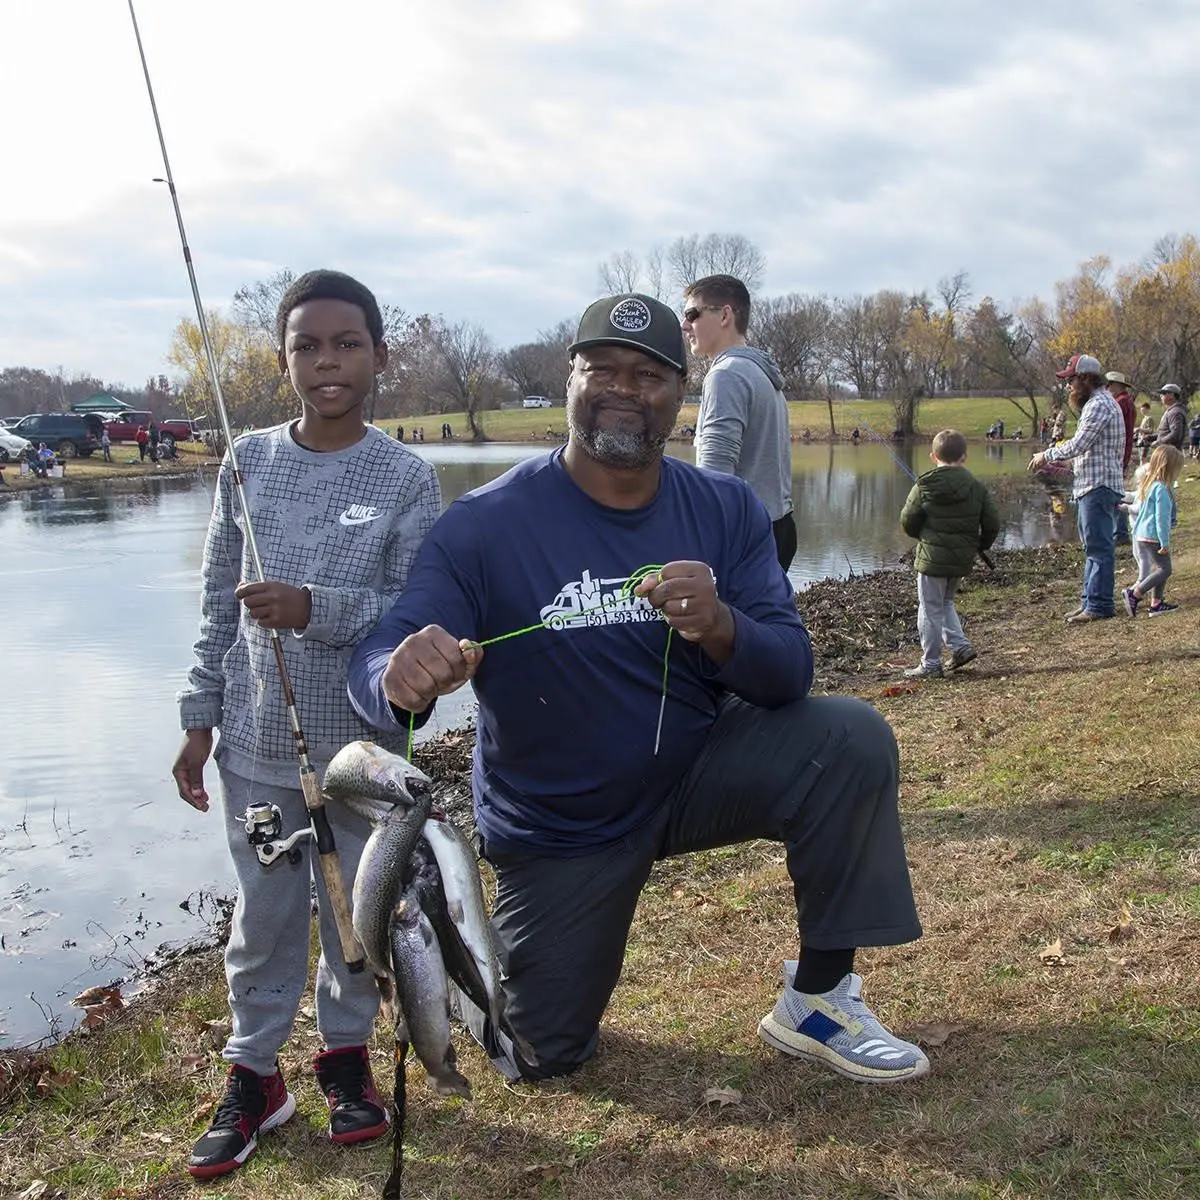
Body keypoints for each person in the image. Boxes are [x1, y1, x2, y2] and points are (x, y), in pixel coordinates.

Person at [348, 291, 928, 1091]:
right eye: (604, 369)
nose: (626, 389)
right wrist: (395, 675)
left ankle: (819, 999)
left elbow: (791, 671)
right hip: (560, 823)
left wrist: (722, 624)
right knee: (539, 1055)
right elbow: (379, 655)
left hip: (695, 772)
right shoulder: (484, 524)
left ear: (680, 393)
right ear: (571, 379)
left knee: (848, 738)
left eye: (650, 375)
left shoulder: (725, 508)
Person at [172, 270, 441, 1180]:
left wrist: (312, 606)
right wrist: (198, 716)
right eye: (307, 346)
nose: (327, 362)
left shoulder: (407, 477)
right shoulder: (245, 460)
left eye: (347, 344)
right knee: (266, 914)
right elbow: (216, 599)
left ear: (378, 355)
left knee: (354, 914)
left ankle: (344, 1060)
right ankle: (254, 1077)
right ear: (284, 357)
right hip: (254, 746)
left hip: (363, 753)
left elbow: (409, 612)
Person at [681, 275, 796, 572]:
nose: (685, 325)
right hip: (778, 526)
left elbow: (714, 478)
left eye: (693, 314)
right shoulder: (764, 375)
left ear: (725, 315)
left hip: (745, 539)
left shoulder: (726, 375)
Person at [1028, 354, 1124, 623]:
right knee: (1092, 546)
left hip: (1098, 487)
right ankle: (1090, 602)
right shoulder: (1097, 403)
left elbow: (1080, 443)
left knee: (1098, 547)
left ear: (1085, 378)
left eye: (1070, 379)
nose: (1068, 385)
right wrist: (1066, 464)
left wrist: (1047, 455)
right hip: (1092, 485)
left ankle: (1099, 605)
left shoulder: (1099, 405)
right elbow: (1088, 449)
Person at [899, 429, 999, 679]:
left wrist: (922, 536)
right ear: (964, 457)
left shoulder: (924, 484)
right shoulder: (976, 487)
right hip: (961, 558)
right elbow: (992, 523)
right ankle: (961, 647)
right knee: (945, 603)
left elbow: (907, 520)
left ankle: (931, 664)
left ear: (933, 456)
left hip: (932, 559)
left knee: (930, 608)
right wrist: (980, 544)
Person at [1121, 445, 1185, 617]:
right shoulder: (1162, 489)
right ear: (1168, 467)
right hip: (1152, 536)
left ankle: (1156, 603)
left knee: (1161, 568)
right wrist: (1164, 542)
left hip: (1141, 534)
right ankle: (1135, 594)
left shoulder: (1151, 484)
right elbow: (1161, 518)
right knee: (1165, 569)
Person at [1104, 371, 1137, 543]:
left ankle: (1120, 533)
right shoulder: (1126, 402)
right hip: (1122, 453)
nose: (1107, 389)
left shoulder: (1121, 403)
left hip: (1118, 454)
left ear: (1118, 386)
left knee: (1115, 494)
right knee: (1117, 492)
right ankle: (1120, 532)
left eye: (1109, 385)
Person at [1155, 384, 1188, 449]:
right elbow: (1166, 432)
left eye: (1163, 393)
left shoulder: (1175, 412)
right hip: (1167, 450)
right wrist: (1150, 437)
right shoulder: (1172, 411)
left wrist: (1159, 442)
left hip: (1171, 452)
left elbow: (1176, 434)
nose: (1161, 395)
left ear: (1172, 395)